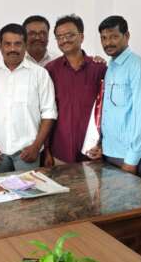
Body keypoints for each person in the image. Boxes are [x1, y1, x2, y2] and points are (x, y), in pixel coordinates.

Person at [0, 23, 57, 174]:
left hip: (28, 152)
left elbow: (49, 113)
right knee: (0, 189)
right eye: (7, 44)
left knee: (30, 189)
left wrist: (36, 146)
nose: (12, 49)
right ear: (0, 46)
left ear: (25, 45)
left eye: (18, 44)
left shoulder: (40, 74)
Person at [92, 15, 141, 177]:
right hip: (110, 152)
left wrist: (131, 161)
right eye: (104, 38)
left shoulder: (138, 67)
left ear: (126, 36)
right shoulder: (111, 66)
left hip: (130, 158)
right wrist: (102, 145)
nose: (108, 43)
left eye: (114, 37)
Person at [44, 14, 105, 165]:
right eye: (60, 37)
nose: (65, 40)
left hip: (92, 150)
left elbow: (107, 110)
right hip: (60, 150)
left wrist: (103, 144)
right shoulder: (50, 70)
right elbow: (45, 112)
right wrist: (46, 150)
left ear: (81, 37)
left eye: (70, 35)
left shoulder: (99, 69)